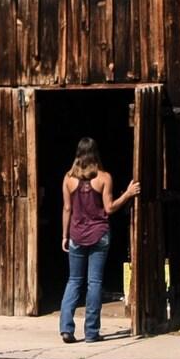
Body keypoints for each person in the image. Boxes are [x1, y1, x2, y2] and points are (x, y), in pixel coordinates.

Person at [59, 136, 138, 343]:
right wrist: (128, 194)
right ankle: (91, 332)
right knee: (94, 283)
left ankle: (66, 328)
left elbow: (67, 208)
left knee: (74, 280)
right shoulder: (104, 178)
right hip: (99, 234)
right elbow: (109, 208)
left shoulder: (68, 179)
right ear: (96, 154)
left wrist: (64, 235)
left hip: (76, 234)